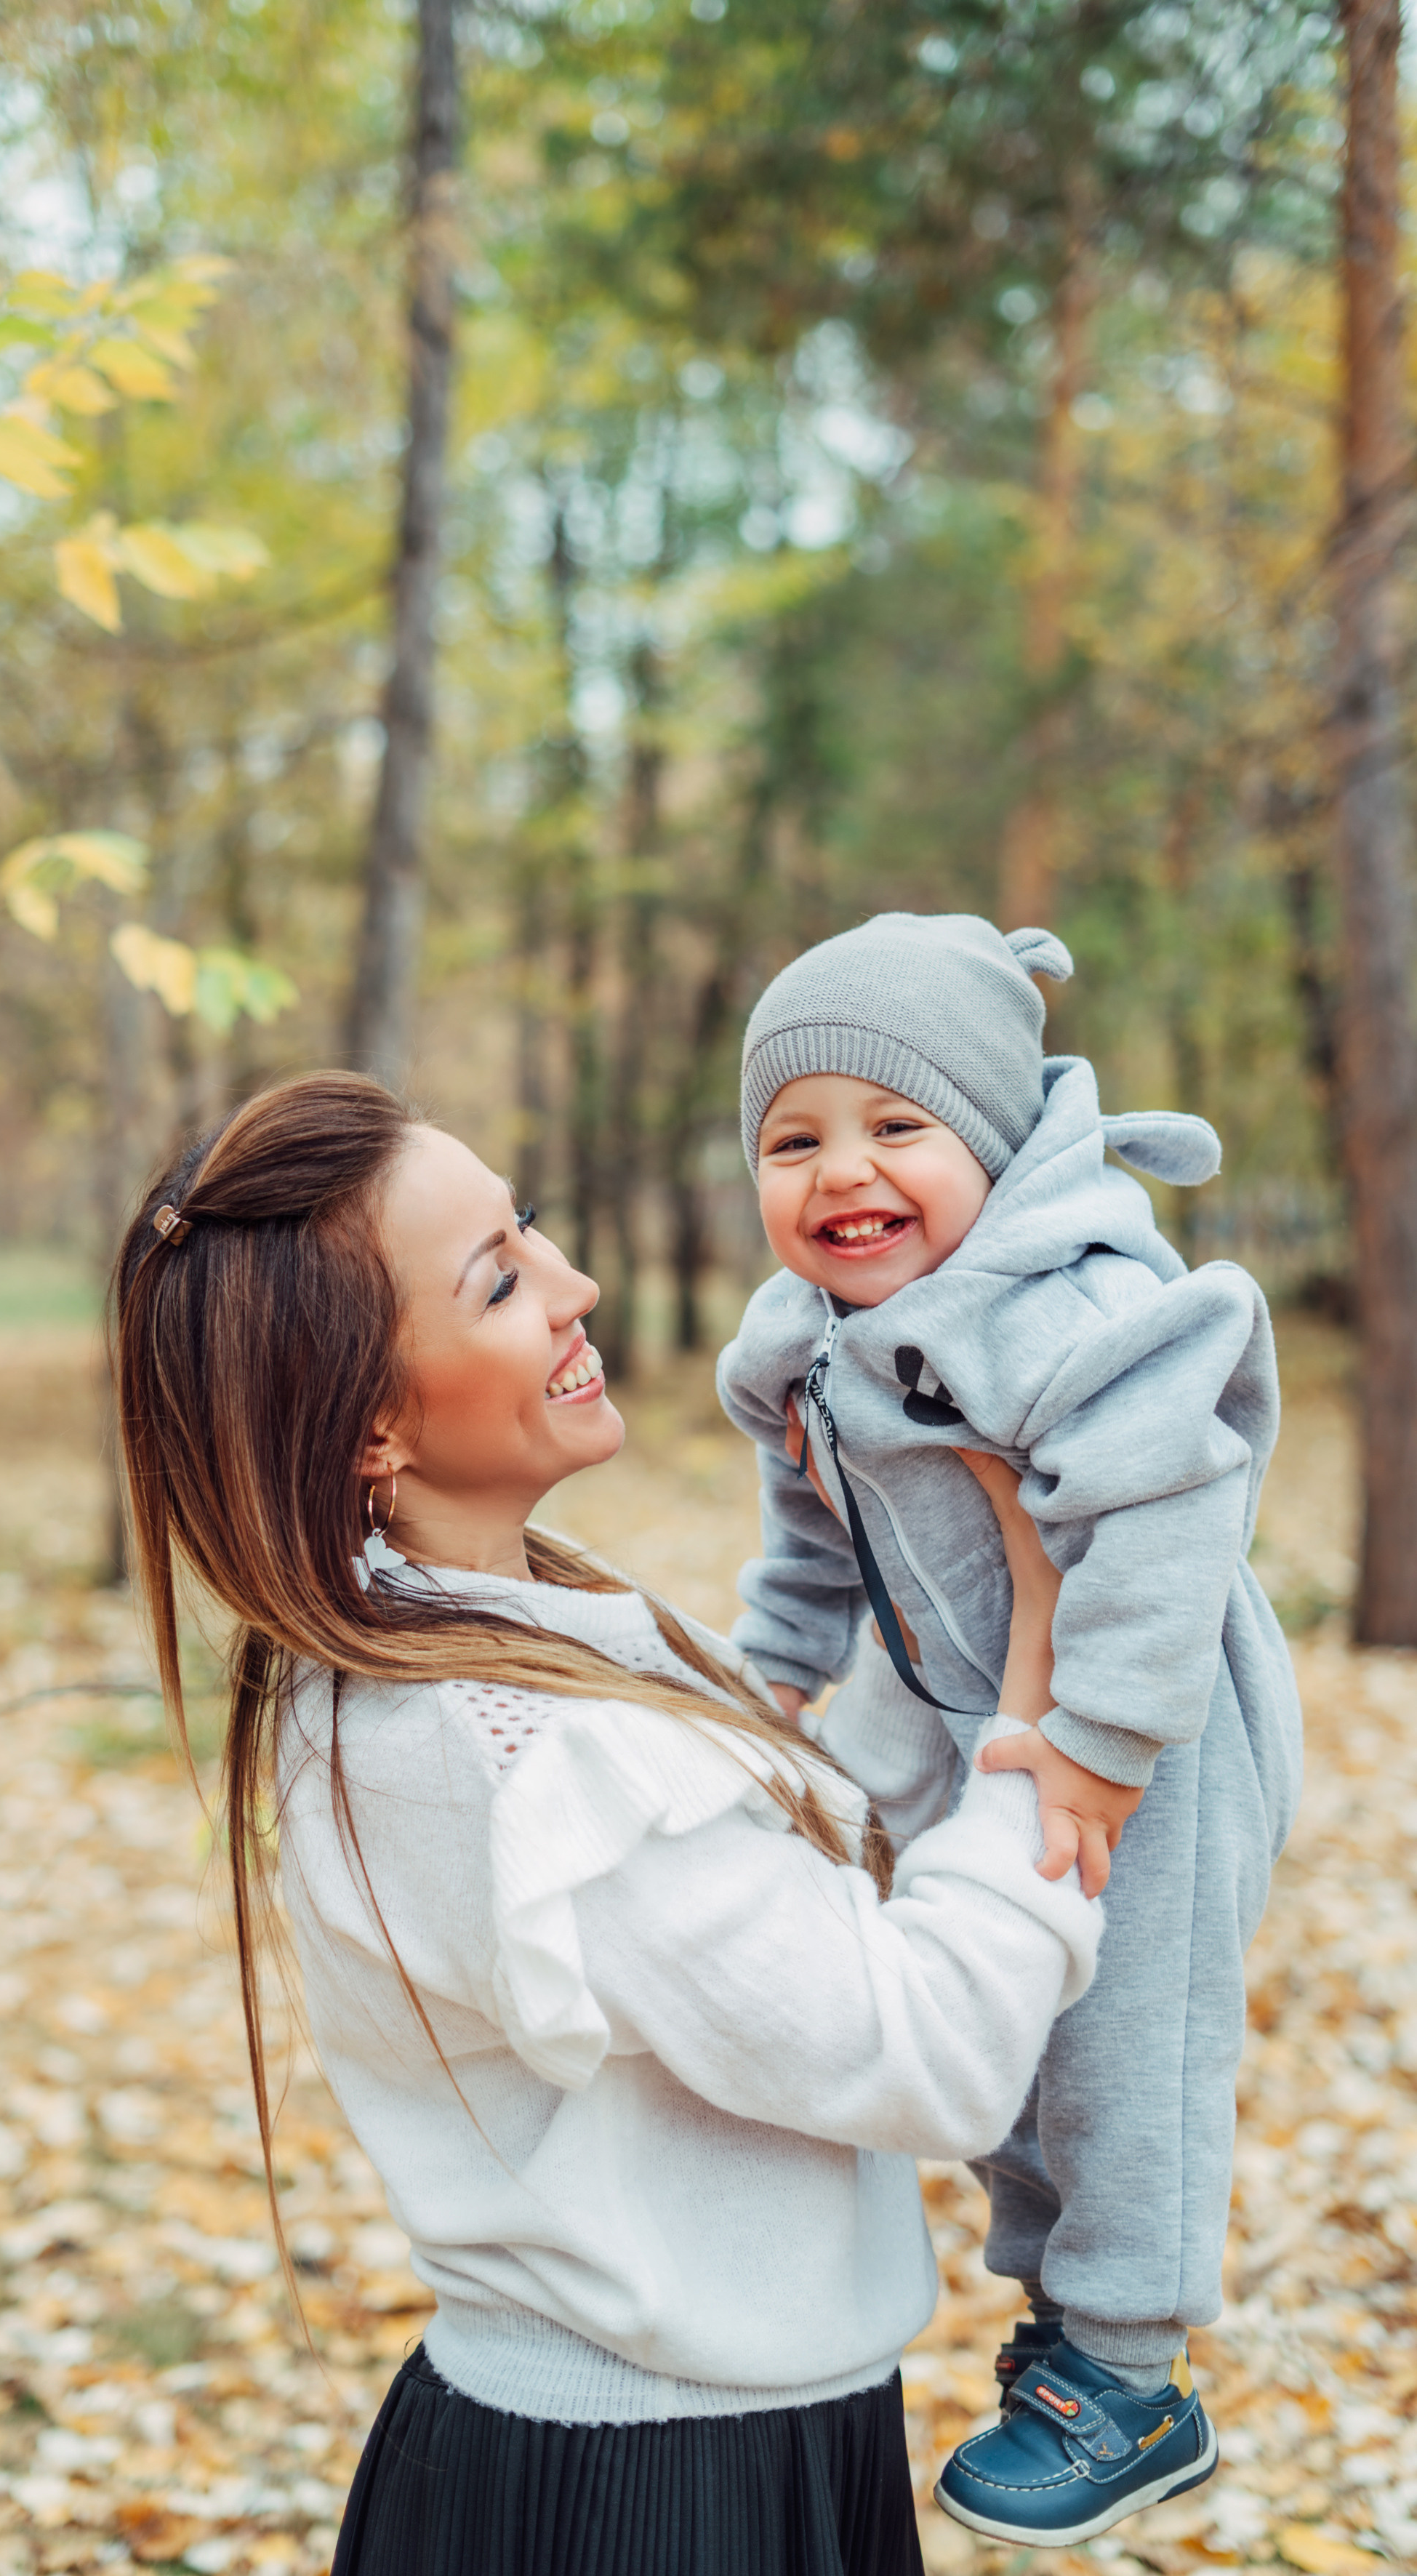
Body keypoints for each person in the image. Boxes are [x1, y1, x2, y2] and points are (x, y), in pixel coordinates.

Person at [111, 1071, 1101, 2576]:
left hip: (686, 2446)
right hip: (653, 2497)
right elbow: (929, 2043)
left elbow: (806, 1887)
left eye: (533, 1229)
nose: (577, 1286)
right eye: (501, 1278)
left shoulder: (483, 1640)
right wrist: (1047, 1689)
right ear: (370, 1422)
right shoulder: (517, 1751)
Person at [716, 910, 1304, 2548]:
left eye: (898, 1126)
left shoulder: (1073, 1309)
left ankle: (1133, 2369)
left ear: (988, 1135)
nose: (845, 1171)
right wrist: (779, 1658)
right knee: (1010, 2041)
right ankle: (1056, 2315)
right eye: (794, 1137)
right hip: (966, 1714)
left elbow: (1180, 1502)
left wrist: (1111, 1738)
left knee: (1126, 2049)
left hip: (1153, 1722)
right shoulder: (806, 1339)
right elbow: (812, 1512)